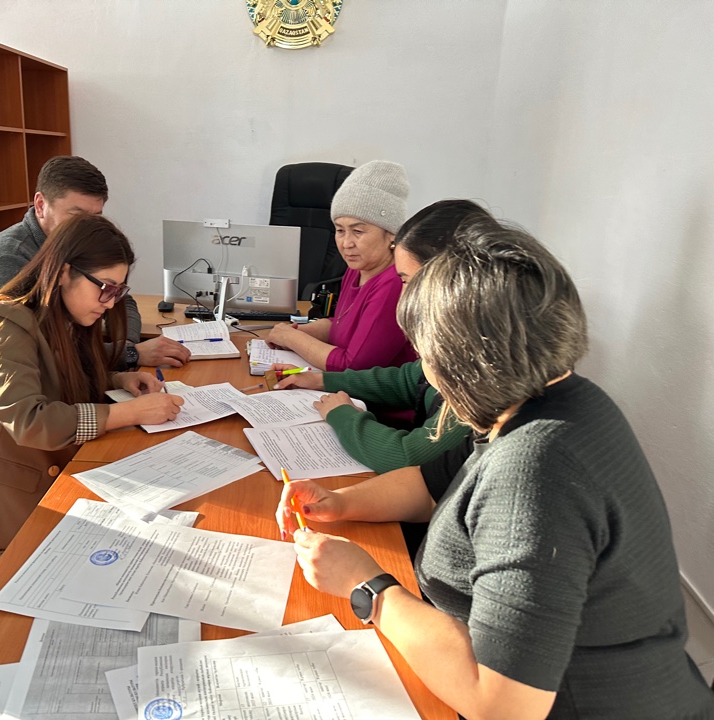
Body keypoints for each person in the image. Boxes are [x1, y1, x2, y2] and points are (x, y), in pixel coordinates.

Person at [276, 222, 714, 719]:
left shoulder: (535, 471)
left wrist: (369, 588)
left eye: (426, 356)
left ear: (460, 363)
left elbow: (505, 705)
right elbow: (431, 484)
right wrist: (339, 501)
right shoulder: (550, 395)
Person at [0, 214, 184, 550]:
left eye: (118, 291)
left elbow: (56, 379)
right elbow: (28, 421)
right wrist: (130, 412)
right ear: (65, 272)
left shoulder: (61, 316)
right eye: (105, 288)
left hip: (42, 471)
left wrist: (117, 378)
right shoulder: (6, 322)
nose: (111, 302)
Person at [274, 200, 491, 471]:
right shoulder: (460, 341)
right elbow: (409, 379)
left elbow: (406, 457)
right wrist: (321, 380)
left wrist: (343, 415)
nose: (403, 295)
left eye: (407, 281)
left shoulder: (486, 368)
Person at [0, 155, 190, 369]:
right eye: (76, 216)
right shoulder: (7, 257)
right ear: (41, 205)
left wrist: (127, 345)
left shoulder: (77, 244)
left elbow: (122, 301)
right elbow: (40, 351)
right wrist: (130, 355)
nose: (87, 227)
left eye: (96, 217)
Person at [264, 160, 416, 372]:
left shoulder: (395, 283)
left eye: (358, 231)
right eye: (340, 230)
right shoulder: (356, 269)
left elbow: (353, 366)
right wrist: (301, 332)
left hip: (372, 393)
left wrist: (292, 338)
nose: (346, 244)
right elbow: (342, 325)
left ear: (391, 234)